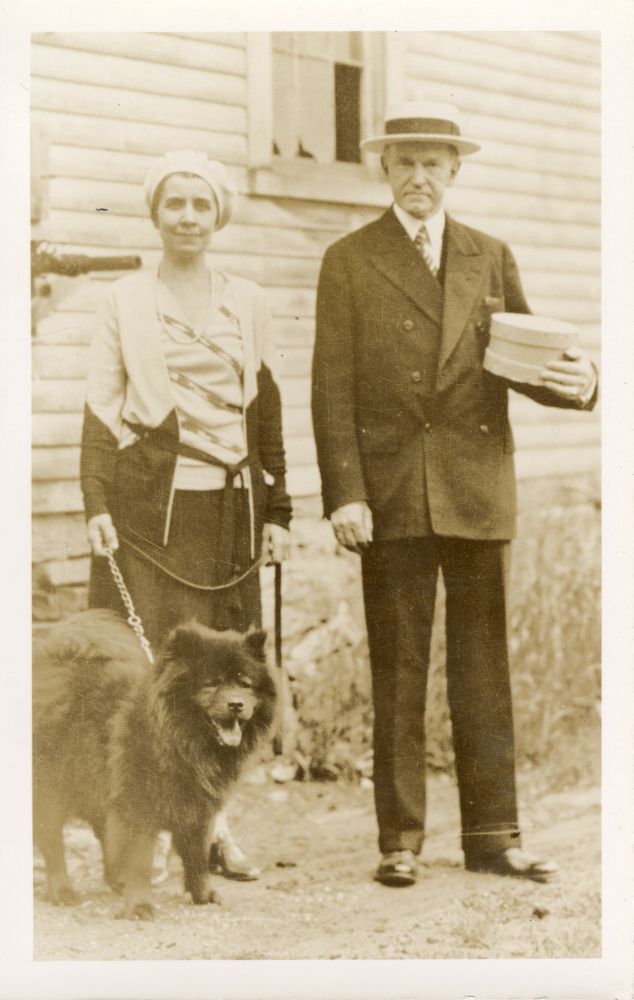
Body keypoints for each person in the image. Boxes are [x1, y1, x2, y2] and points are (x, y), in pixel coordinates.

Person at [311, 102, 597, 887]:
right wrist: (345, 493)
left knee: (483, 670)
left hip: (476, 488)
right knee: (397, 670)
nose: (419, 177)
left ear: (454, 171)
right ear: (384, 169)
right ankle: (399, 840)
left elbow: (529, 355)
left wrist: (582, 381)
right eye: (404, 162)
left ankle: (493, 836)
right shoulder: (349, 259)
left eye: (433, 163)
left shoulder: (489, 256)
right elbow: (330, 389)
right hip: (393, 494)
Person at [80, 150, 291, 881]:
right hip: (151, 518)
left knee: (225, 680)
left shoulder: (248, 302)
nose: (189, 217)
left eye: (202, 204)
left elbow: (267, 411)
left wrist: (279, 509)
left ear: (218, 216)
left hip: (231, 516)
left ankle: (212, 831)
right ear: (156, 214)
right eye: (175, 203)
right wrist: (95, 503)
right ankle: (142, 834)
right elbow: (100, 412)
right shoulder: (124, 300)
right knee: (154, 679)